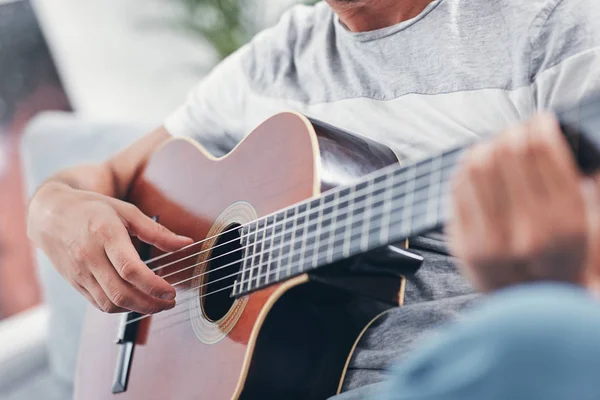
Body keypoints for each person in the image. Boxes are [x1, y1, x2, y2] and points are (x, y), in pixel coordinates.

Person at [25, 0, 600, 398]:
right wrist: (52, 207)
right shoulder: (267, 66)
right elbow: (104, 175)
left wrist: (560, 276)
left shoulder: (553, 31)